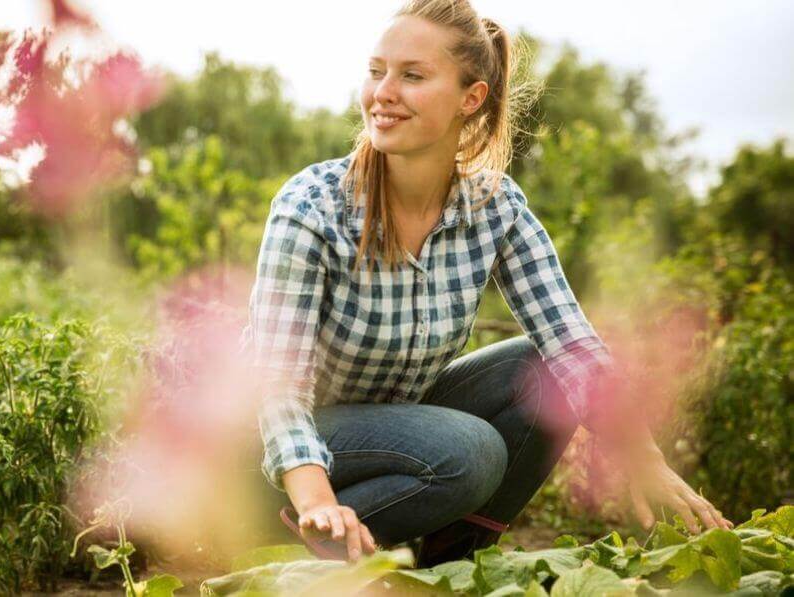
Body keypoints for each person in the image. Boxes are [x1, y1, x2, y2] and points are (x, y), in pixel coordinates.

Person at [240, 0, 733, 567]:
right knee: (467, 453)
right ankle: (300, 541)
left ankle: (450, 560)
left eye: (413, 76)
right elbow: (275, 389)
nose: (384, 92)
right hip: (277, 453)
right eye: (377, 71)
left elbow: (570, 342)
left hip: (396, 426)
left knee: (542, 368)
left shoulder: (495, 207)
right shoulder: (311, 208)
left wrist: (645, 460)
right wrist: (317, 498)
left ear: (470, 98)